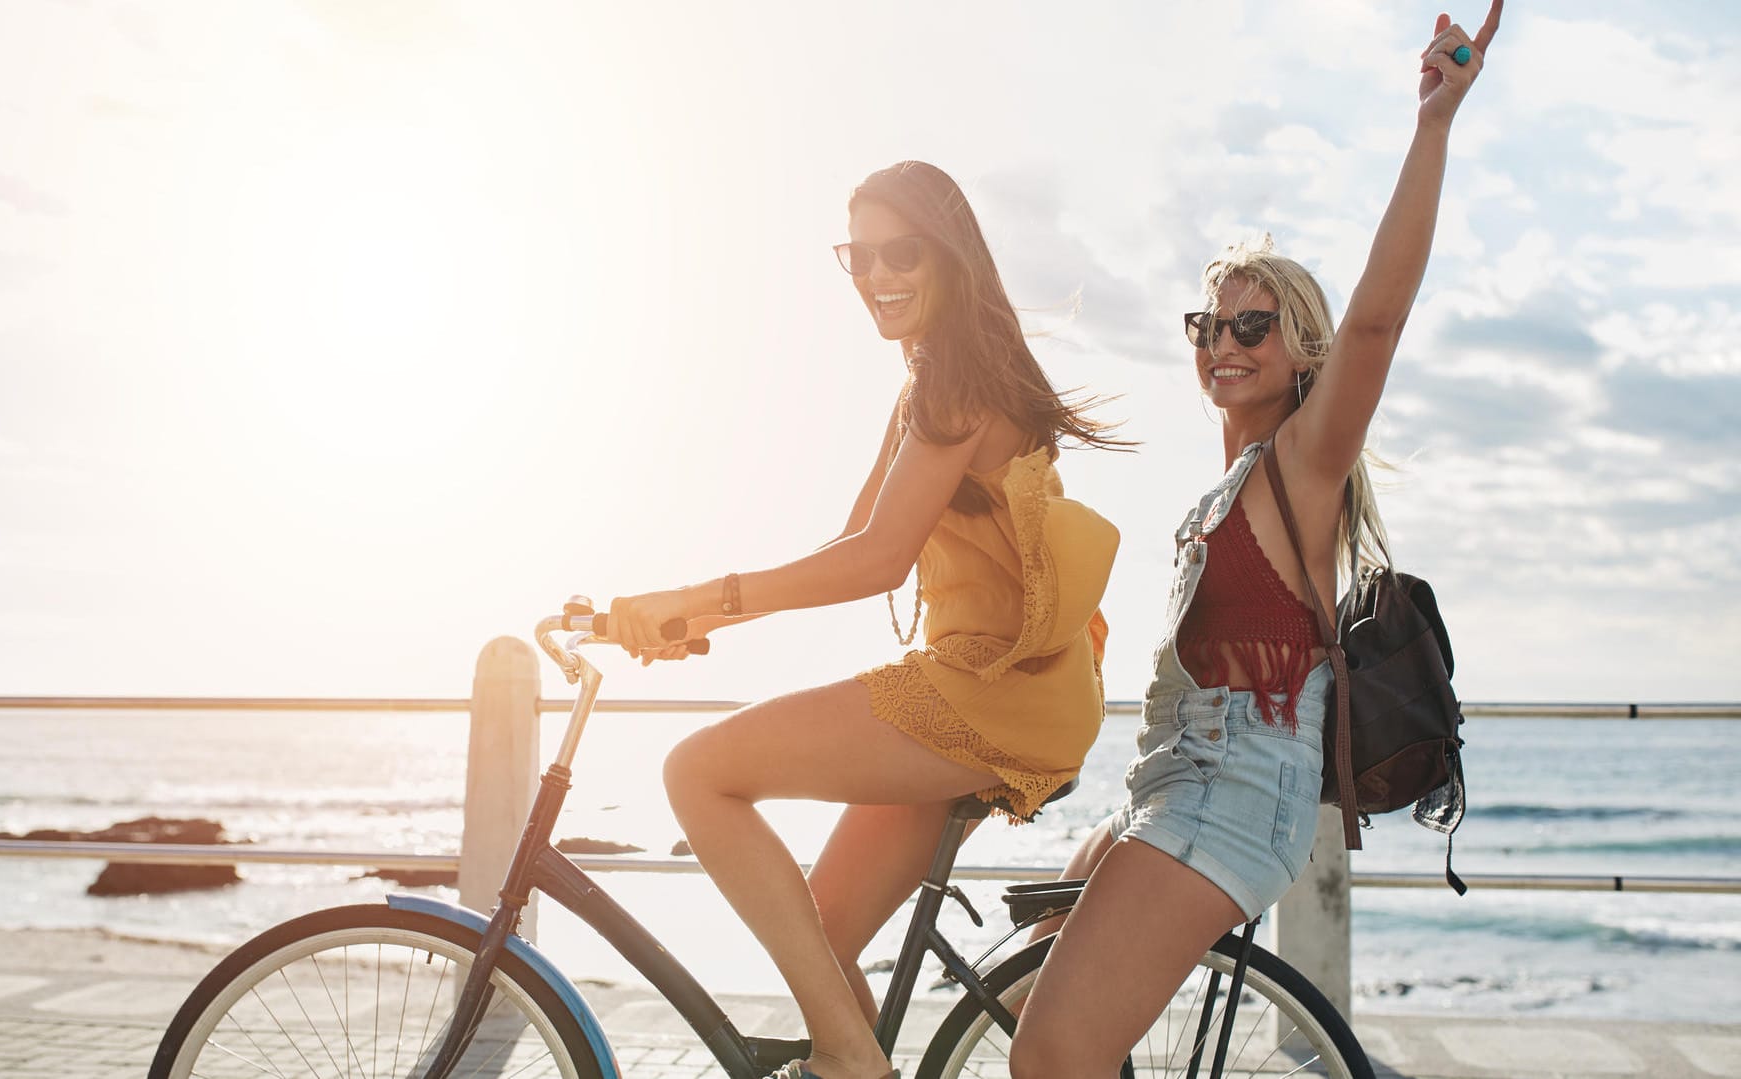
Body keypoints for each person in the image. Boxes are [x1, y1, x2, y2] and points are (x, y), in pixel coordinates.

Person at [1008, 6, 1503, 1075]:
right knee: (1039, 959)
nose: (1224, 343)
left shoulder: (1302, 463)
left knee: (1051, 1052)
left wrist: (1434, 126)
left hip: (1233, 798)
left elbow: (1377, 321)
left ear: (1300, 353)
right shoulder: (1230, 485)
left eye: (1252, 325)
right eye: (1210, 325)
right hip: (1169, 780)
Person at [610, 159, 1126, 1079]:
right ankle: (849, 1054)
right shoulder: (930, 381)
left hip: (986, 692)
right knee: (822, 942)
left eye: (903, 252)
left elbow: (879, 560)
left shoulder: (957, 384)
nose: (879, 276)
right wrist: (695, 619)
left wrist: (700, 599)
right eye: (860, 256)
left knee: (697, 770)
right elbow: (854, 535)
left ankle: (852, 1063)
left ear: (950, 257)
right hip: (1006, 687)